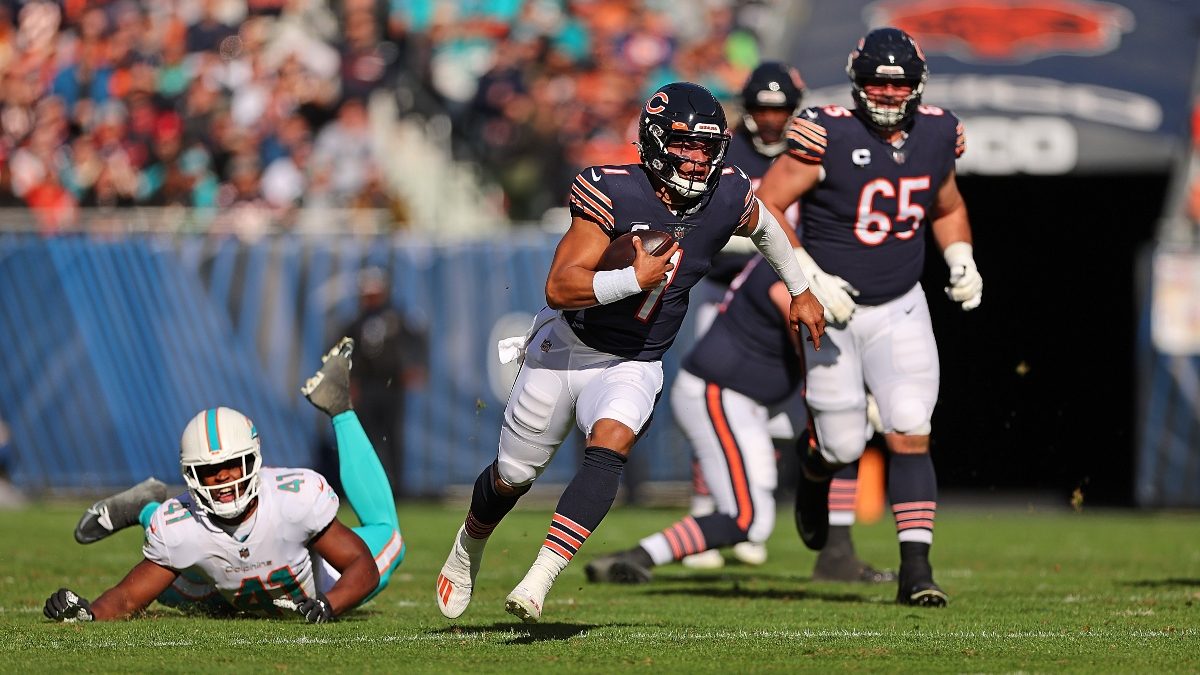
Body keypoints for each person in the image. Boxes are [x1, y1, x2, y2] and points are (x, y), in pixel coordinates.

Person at [435, 81, 826, 624]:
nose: (695, 160)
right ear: (654, 142)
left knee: (609, 447)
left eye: (705, 149)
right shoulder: (611, 189)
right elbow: (560, 286)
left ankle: (540, 578)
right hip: (564, 347)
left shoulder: (727, 192)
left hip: (634, 360)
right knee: (512, 476)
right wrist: (631, 279)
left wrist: (802, 289)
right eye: (684, 145)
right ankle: (469, 543)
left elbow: (767, 229)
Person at [756, 27, 983, 607]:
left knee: (909, 428)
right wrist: (805, 270)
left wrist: (960, 256)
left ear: (918, 85)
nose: (887, 93)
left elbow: (948, 205)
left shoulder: (937, 132)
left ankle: (917, 570)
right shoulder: (826, 130)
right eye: (877, 82)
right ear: (858, 83)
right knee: (842, 446)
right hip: (832, 314)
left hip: (902, 305)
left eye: (898, 82)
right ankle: (814, 468)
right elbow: (762, 205)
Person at [682, 62, 888, 580]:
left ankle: (832, 539)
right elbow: (701, 226)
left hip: (804, 290)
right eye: (761, 109)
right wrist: (762, 246)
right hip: (732, 291)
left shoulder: (815, 147)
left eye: (780, 110)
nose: (772, 121)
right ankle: (711, 513)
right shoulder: (728, 154)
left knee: (822, 411)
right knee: (721, 407)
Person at [44, 338, 405, 622]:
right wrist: (86, 614)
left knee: (387, 535)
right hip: (222, 592)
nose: (223, 479)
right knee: (166, 586)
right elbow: (125, 598)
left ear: (254, 461)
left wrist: (331, 602)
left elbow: (362, 568)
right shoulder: (180, 527)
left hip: (304, 583)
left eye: (233, 465)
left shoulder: (294, 499)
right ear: (191, 477)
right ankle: (146, 508)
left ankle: (339, 410)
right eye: (210, 472)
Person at [584, 253, 891, 584]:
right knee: (750, 519)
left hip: (756, 397)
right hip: (720, 392)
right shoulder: (788, 264)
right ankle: (637, 557)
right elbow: (808, 333)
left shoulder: (810, 257)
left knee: (845, 429)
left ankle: (837, 554)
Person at [341, 267, 427, 498]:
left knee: (393, 439)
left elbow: (417, 341)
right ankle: (368, 489)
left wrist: (415, 365)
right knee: (368, 439)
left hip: (392, 385)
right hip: (368, 385)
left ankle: (397, 489)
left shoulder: (396, 317)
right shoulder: (355, 322)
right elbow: (346, 353)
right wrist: (351, 381)